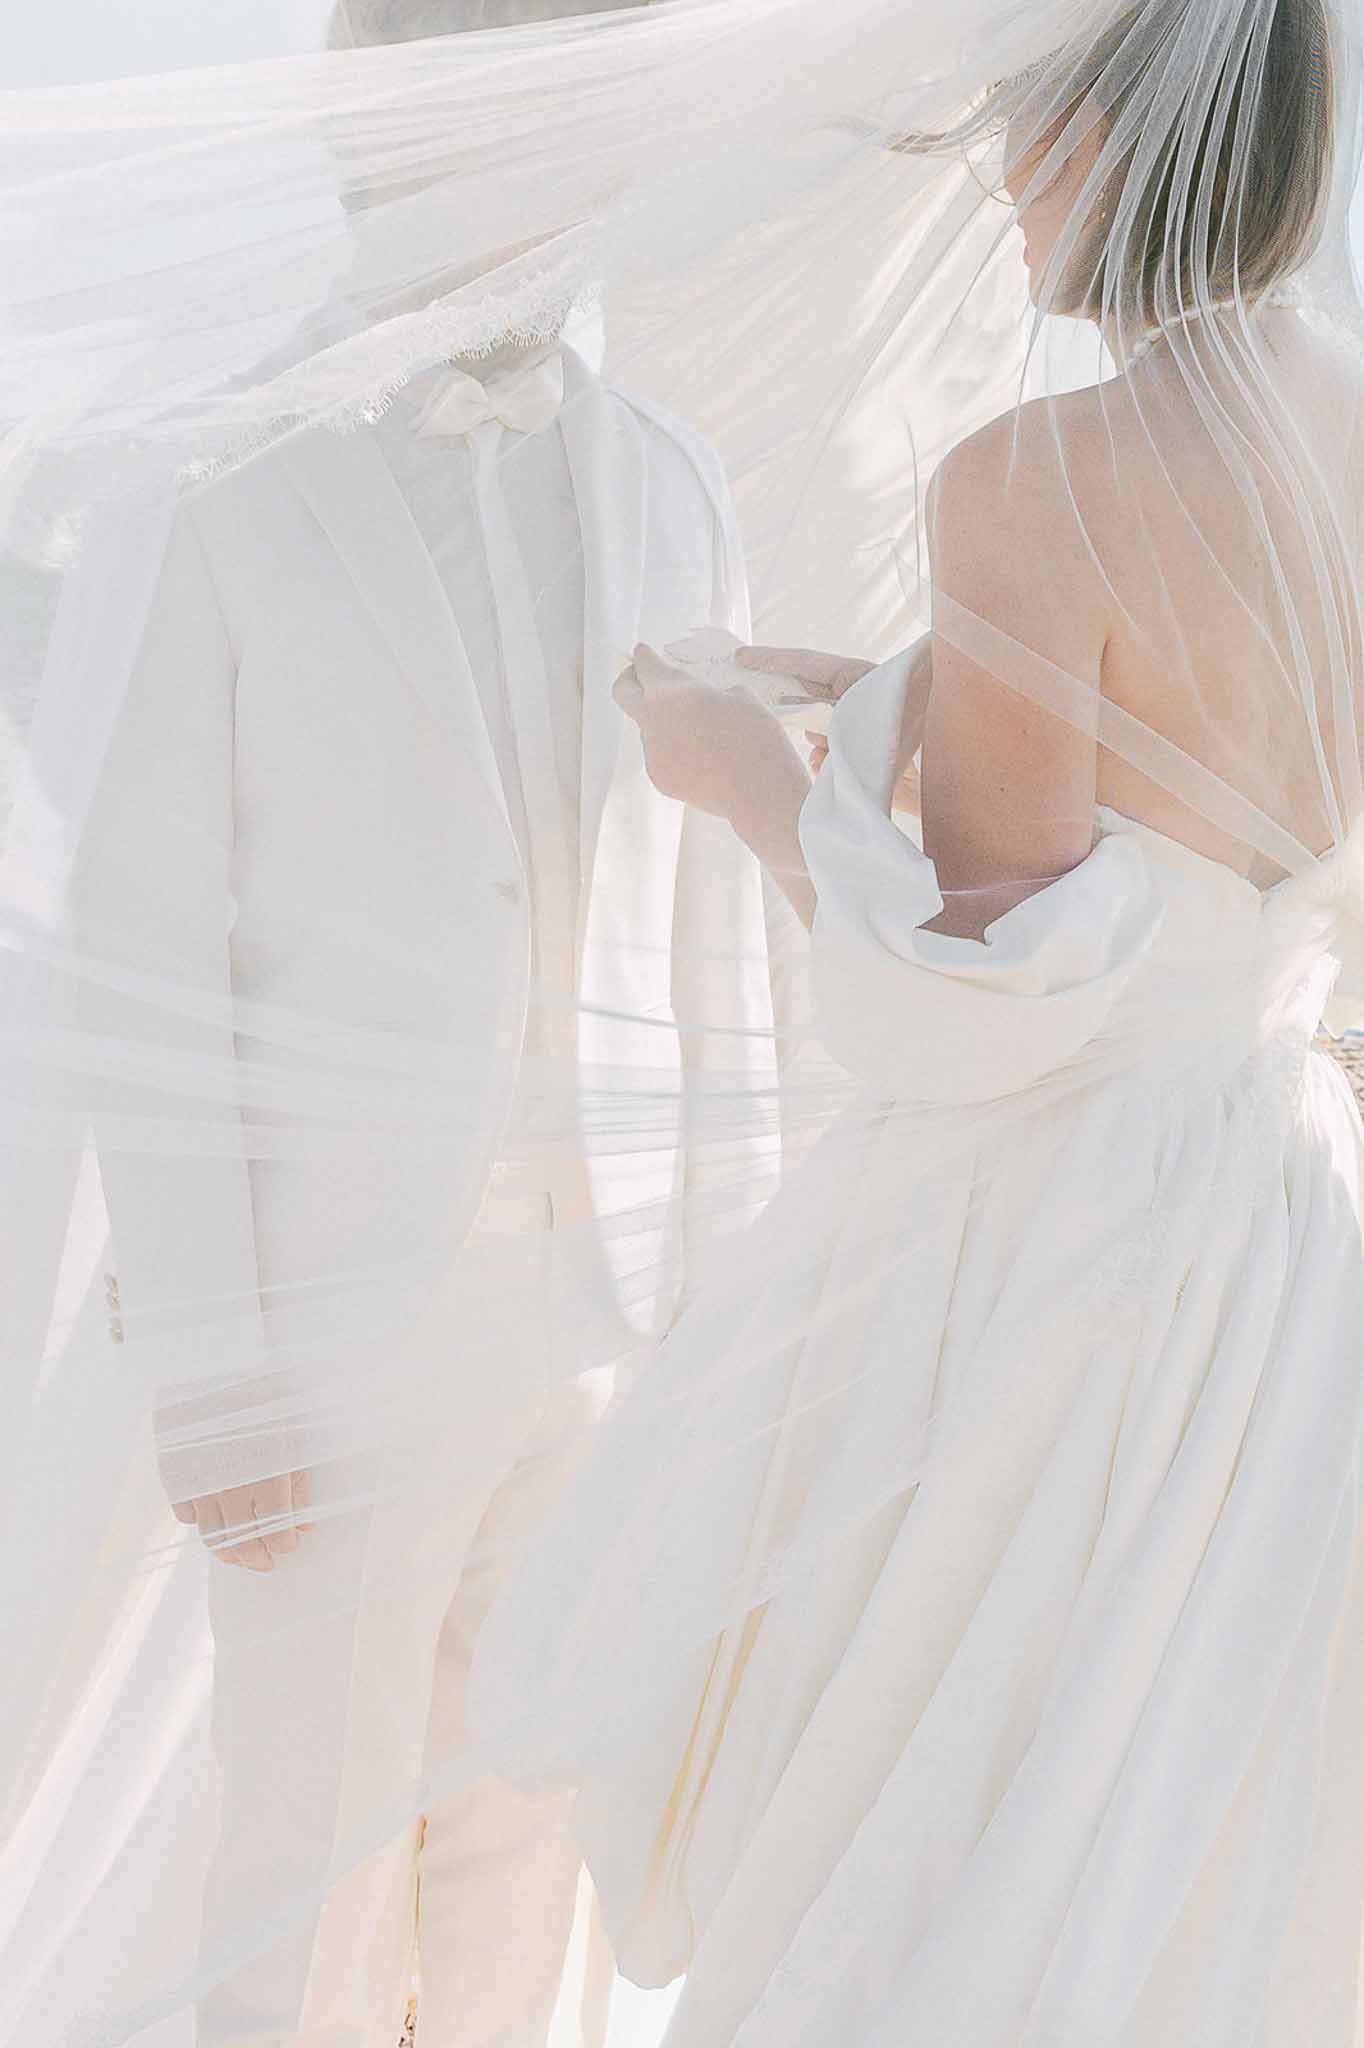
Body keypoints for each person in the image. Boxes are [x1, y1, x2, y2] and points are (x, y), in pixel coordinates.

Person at [471, 4, 1364, 2042]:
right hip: (1278, 1247)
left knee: (944, 1836)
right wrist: (910, 688)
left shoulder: (1031, 477)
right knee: (1177, 1833)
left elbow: (968, 991)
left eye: (1010, 133)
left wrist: (743, 776)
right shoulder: (1342, 423)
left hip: (1066, 1258)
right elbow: (1205, 797)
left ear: (1109, 142)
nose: (990, 180)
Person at [47, 4, 783, 2042]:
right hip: (336, 1326)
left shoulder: (669, 480)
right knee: (302, 1846)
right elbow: (145, 939)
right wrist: (207, 1356)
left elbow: (709, 922)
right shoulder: (224, 473)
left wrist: (719, 1292)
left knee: (530, 1840)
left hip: (610, 1310)